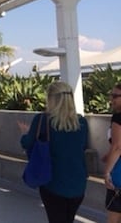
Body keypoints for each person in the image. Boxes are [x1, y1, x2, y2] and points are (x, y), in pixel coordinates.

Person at [18, 81, 88, 223]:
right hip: (78, 183)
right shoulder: (82, 122)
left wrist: (25, 133)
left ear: (51, 99)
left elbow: (26, 143)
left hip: (53, 182)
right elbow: (82, 147)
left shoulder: (42, 120)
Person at [103, 83, 121, 222]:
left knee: (114, 217)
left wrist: (107, 172)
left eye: (115, 96)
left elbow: (117, 146)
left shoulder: (118, 117)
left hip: (118, 175)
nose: (111, 99)